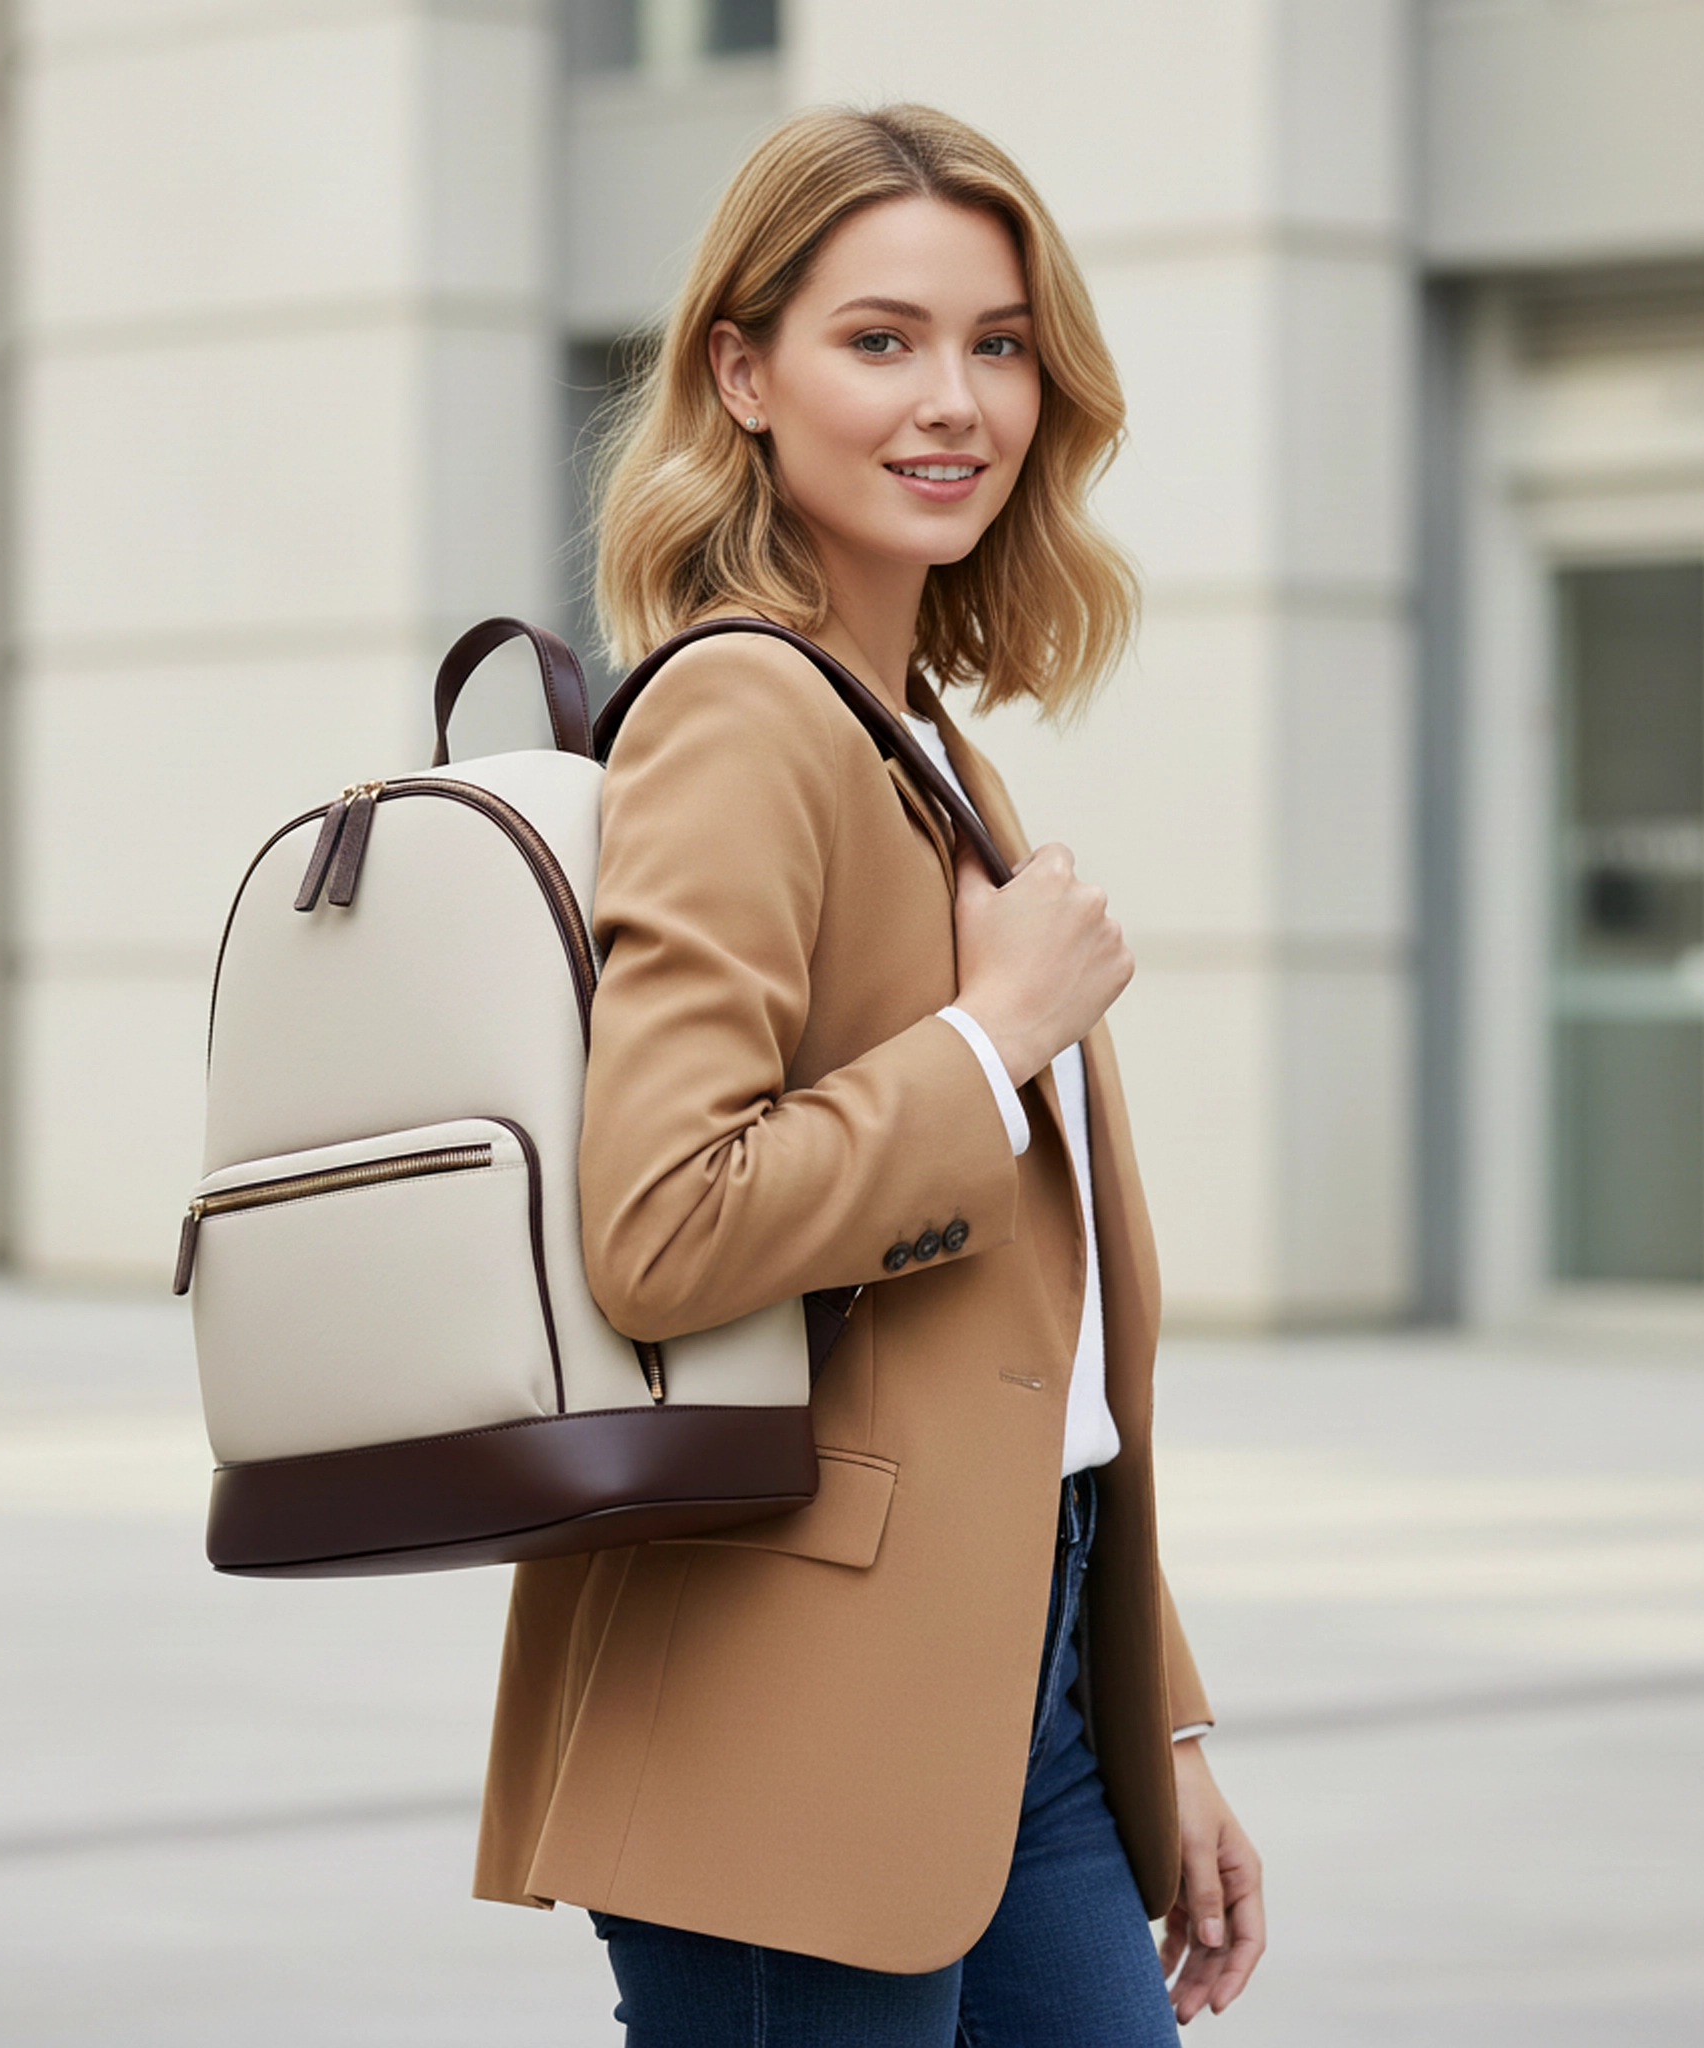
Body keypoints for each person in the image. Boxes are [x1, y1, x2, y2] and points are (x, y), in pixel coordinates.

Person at [473, 103, 1265, 2044]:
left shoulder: (916, 742)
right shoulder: (746, 711)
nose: (957, 402)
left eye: (999, 343)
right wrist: (990, 1037)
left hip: (1028, 1684)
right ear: (740, 372)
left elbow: (1029, 1343)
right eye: (880, 339)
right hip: (789, 1688)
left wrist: (1154, 1712)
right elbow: (661, 1226)